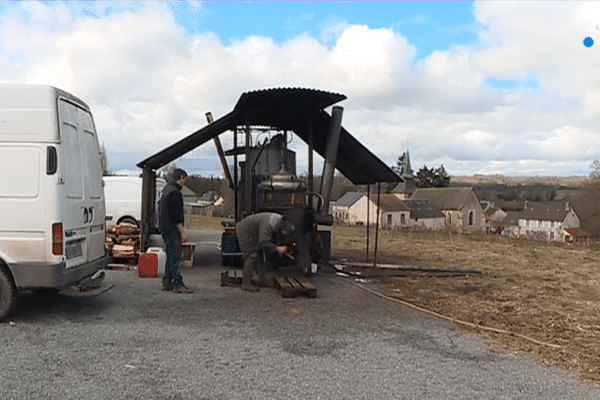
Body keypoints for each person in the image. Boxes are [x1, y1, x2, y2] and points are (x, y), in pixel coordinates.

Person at [236, 212, 296, 292]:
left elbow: (270, 240)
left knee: (263, 254)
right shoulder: (268, 224)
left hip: (255, 233)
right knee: (252, 255)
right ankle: (245, 283)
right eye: (284, 233)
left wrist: (276, 248)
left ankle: (262, 280)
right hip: (245, 230)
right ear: (282, 228)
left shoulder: (278, 223)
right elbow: (263, 242)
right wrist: (277, 248)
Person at [158, 168, 193, 294]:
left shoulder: (165, 190)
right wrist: (183, 231)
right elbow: (176, 215)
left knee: (170, 254)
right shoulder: (174, 193)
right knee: (175, 256)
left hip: (164, 227)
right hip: (172, 228)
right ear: (181, 178)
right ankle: (178, 284)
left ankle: (166, 282)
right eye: (185, 179)